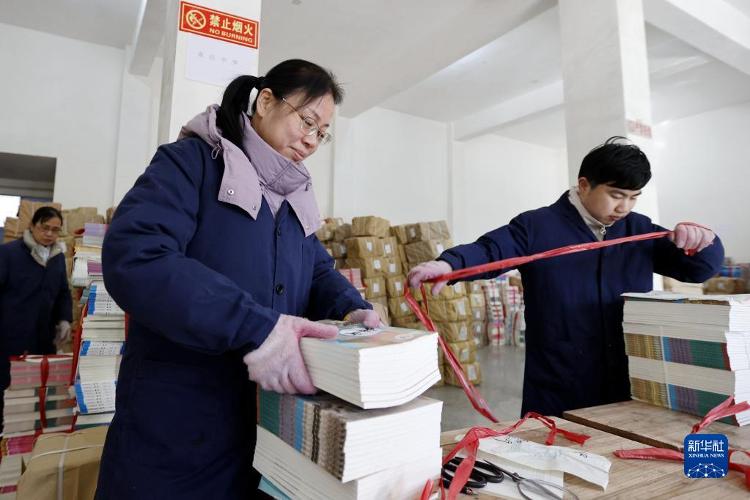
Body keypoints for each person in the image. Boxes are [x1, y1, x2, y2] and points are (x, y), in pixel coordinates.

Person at [95, 59, 380, 498]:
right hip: (177, 427)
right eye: (307, 121)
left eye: (321, 133)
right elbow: (137, 255)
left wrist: (352, 308)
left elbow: (316, 268)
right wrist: (257, 326)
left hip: (264, 430)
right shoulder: (191, 164)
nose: (311, 139)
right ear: (265, 101)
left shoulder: (293, 198)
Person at [408, 136, 724, 418]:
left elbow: (698, 269)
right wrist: (449, 265)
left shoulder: (639, 230)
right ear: (584, 185)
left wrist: (705, 242)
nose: (624, 207)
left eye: (633, 197)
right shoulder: (537, 226)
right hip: (559, 378)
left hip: (627, 378)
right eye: (616, 195)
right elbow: (490, 250)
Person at [0, 206, 73, 433]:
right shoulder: (9, 253)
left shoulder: (56, 258)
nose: (49, 234)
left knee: (34, 395)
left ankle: (26, 438)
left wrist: (65, 319)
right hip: (9, 337)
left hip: (42, 338)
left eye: (55, 230)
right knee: (7, 390)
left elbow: (63, 292)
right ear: (32, 226)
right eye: (45, 227)